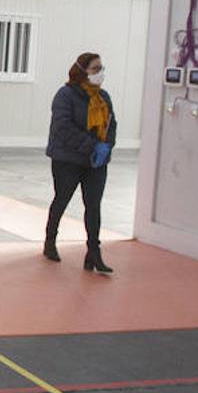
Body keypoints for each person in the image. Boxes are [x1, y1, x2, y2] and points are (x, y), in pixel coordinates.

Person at [44, 52, 117, 274]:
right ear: (82, 71)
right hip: (68, 159)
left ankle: (93, 252)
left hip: (96, 162)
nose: (100, 72)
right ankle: (50, 241)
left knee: (93, 206)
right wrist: (92, 145)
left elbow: (111, 124)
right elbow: (62, 127)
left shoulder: (103, 97)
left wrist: (106, 147)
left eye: (101, 68)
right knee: (62, 199)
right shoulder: (65, 95)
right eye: (96, 68)